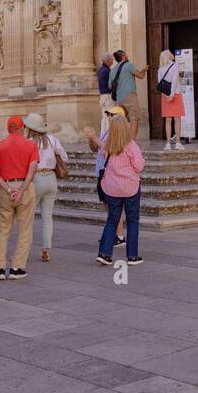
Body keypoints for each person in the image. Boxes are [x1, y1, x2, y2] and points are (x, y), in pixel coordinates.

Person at [84, 108, 144, 267]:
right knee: (132, 220)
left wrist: (92, 136)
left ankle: (104, 253)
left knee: (112, 219)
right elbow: (139, 166)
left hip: (111, 188)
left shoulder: (108, 146)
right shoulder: (131, 145)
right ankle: (132, 256)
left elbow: (101, 148)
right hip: (130, 187)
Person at [0, 116, 39, 280]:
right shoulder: (31, 145)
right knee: (25, 229)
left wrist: (9, 188)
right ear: (22, 127)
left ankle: (0, 268)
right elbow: (32, 170)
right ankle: (17, 267)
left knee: (2, 230)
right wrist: (21, 189)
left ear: (8, 128)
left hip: (6, 189)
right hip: (25, 189)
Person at [23, 113, 69, 263]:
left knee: (27, 218)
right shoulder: (52, 139)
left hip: (35, 180)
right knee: (47, 217)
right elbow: (64, 157)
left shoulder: (28, 142)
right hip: (51, 179)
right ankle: (45, 250)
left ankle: (23, 251)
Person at [108, 50, 148, 140]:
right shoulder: (128, 65)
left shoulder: (112, 70)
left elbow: (110, 86)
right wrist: (144, 70)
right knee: (134, 118)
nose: (128, 56)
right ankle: (132, 144)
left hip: (119, 99)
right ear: (123, 56)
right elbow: (140, 76)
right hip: (130, 96)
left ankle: (122, 142)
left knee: (121, 122)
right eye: (126, 55)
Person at [157, 49, 185, 150]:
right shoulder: (175, 65)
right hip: (176, 94)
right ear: (169, 56)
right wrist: (172, 95)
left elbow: (160, 84)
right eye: (171, 54)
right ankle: (177, 143)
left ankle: (168, 143)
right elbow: (174, 81)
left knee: (168, 120)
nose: (173, 55)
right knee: (177, 119)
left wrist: (167, 95)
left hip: (165, 96)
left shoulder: (160, 69)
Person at [96, 53, 114, 136]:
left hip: (102, 96)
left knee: (104, 117)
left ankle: (102, 136)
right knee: (110, 116)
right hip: (107, 96)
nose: (113, 60)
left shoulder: (101, 70)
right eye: (111, 59)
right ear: (108, 60)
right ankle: (108, 136)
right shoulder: (107, 71)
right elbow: (109, 85)